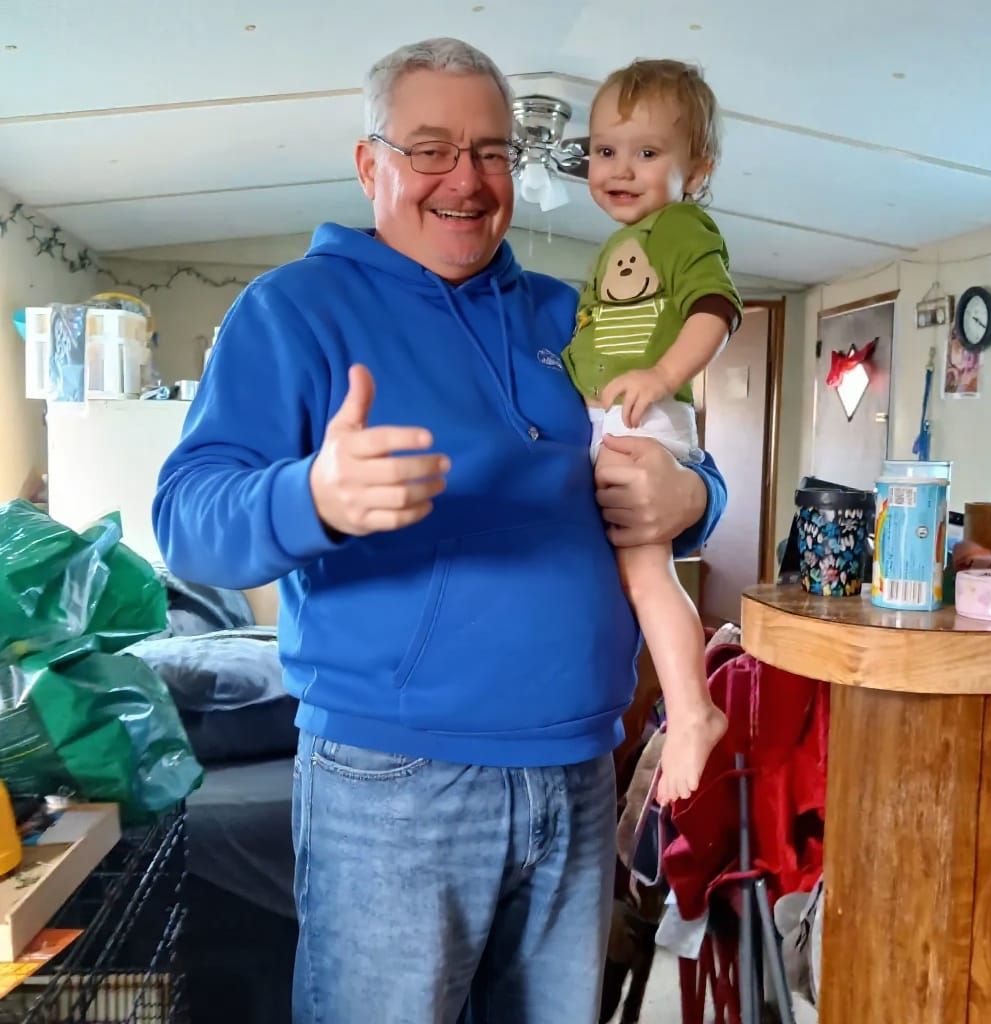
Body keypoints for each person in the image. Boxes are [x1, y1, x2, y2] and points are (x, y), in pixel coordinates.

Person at [153, 38, 727, 1024]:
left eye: (493, 151)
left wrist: (694, 497)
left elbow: (675, 452)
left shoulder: (571, 311)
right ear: (370, 163)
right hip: (393, 785)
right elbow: (185, 521)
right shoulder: (291, 310)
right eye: (430, 149)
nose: (466, 178)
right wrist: (314, 496)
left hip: (578, 771)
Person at [563, 59, 741, 805]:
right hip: (613, 416)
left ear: (696, 170)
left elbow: (715, 311)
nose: (619, 169)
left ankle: (693, 709)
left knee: (644, 569)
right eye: (605, 151)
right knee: (622, 566)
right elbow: (593, 340)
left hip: (646, 419)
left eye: (646, 152)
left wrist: (662, 378)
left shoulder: (683, 226)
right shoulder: (612, 250)